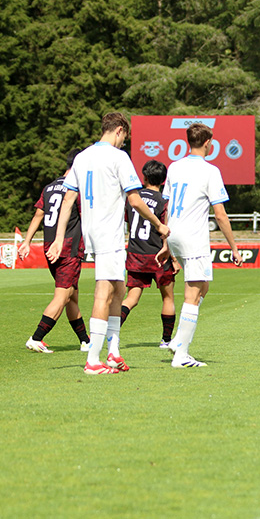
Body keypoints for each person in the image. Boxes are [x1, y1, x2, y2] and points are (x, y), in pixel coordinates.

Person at [46, 112, 169, 375]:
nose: (124, 141)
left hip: (92, 231)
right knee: (104, 291)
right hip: (108, 233)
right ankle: (93, 359)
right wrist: (159, 225)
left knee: (119, 286)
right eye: (125, 136)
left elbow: (68, 200)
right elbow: (135, 200)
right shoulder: (118, 157)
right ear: (120, 130)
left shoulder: (82, 157)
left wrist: (58, 239)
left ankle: (113, 352)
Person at [158, 123, 243, 368]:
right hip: (193, 238)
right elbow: (220, 214)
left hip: (174, 234)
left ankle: (177, 340)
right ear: (208, 143)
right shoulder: (211, 171)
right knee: (192, 295)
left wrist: (166, 242)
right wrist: (234, 246)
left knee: (203, 285)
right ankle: (181, 355)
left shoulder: (174, 167)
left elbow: (168, 206)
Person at [19, 148, 91, 353]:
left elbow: (38, 215)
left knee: (71, 296)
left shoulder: (49, 187)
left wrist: (26, 242)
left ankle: (85, 340)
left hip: (49, 248)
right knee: (62, 295)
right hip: (68, 249)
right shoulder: (77, 189)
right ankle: (36, 337)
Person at [120, 159, 179, 348]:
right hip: (158, 255)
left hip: (136, 253)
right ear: (163, 181)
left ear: (144, 177)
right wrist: (174, 258)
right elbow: (166, 230)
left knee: (131, 298)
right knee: (168, 297)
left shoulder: (132, 199)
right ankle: (166, 340)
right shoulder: (163, 202)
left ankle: (112, 333)